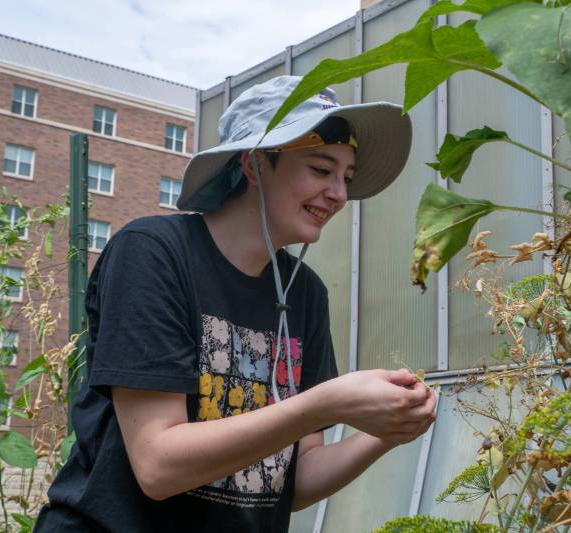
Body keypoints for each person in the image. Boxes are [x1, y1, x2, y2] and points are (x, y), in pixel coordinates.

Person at [35, 75, 437, 532]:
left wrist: (387, 433)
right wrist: (328, 404)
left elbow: (292, 481)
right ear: (253, 164)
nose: (340, 195)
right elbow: (158, 466)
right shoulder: (152, 253)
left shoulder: (305, 293)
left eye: (346, 177)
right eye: (321, 170)